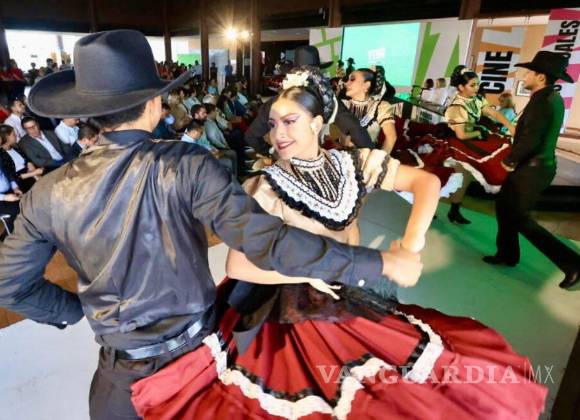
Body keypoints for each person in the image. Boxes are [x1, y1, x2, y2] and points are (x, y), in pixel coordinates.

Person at [0, 30, 422, 420]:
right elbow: (269, 242)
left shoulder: (47, 192)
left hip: (117, 383)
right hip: (200, 366)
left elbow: (9, 283)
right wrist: (378, 263)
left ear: (87, 112)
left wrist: (74, 308)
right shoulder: (188, 164)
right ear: (154, 104)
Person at [130, 69, 547, 420]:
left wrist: (411, 243)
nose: (278, 133)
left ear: (317, 123)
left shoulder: (355, 163)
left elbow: (426, 182)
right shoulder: (264, 184)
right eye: (273, 124)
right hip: (291, 309)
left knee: (431, 384)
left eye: (290, 121)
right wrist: (317, 271)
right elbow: (238, 266)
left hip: (351, 289)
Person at [483, 51, 580, 290]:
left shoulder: (542, 102)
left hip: (531, 170)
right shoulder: (550, 97)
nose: (524, 76)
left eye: (528, 72)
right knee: (504, 208)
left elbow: (530, 139)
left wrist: (510, 161)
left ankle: (573, 264)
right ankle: (507, 255)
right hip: (534, 167)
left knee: (519, 218)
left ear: (540, 77)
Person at [245, 46, 373, 156]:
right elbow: (355, 129)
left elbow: (251, 136)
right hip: (316, 162)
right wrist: (371, 155)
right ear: (318, 74)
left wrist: (270, 153)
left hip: (286, 164)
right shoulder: (329, 100)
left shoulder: (276, 102)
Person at [444, 66, 516, 225]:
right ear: (461, 87)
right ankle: (432, 209)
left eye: (477, 84)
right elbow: (461, 135)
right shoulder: (457, 107)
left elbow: (494, 113)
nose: (476, 88)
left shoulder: (477, 100)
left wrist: (510, 127)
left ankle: (454, 211)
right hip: (456, 143)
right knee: (451, 179)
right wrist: (479, 132)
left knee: (464, 179)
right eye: (472, 85)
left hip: (469, 141)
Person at [343, 68, 397, 153]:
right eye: (347, 79)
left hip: (366, 157)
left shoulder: (380, 107)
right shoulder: (342, 104)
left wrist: (378, 158)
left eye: (352, 79)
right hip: (341, 156)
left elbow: (391, 137)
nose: (346, 83)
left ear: (366, 85)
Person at [0, 124, 43, 192]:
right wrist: (34, 173)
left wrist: (35, 174)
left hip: (31, 172)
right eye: (14, 135)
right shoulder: (1, 155)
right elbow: (12, 177)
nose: (16, 136)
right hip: (21, 181)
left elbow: (27, 161)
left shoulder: (15, 146)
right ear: (7, 137)